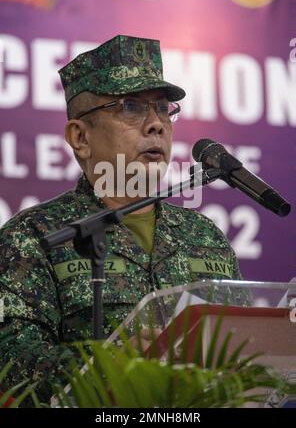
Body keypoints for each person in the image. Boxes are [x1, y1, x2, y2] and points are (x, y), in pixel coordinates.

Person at [0, 35, 243, 403]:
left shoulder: (204, 235)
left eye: (163, 108)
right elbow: (12, 358)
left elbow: (240, 348)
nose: (156, 124)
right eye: (131, 107)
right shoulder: (33, 236)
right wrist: (111, 365)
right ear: (80, 137)